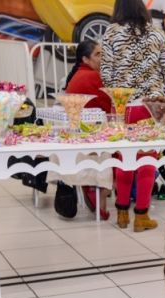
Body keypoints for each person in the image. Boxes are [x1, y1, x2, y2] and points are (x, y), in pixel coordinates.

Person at [102, 0, 165, 231]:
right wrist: (157, 88)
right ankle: (142, 216)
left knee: (124, 159)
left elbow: (105, 74)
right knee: (147, 160)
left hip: (122, 106)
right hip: (151, 106)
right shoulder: (156, 34)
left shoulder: (111, 32)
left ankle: (122, 213)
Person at [64, 40, 113, 220]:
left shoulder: (77, 75)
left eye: (102, 54)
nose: (102, 58)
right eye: (98, 54)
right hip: (91, 133)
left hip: (78, 131)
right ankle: (98, 193)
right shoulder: (93, 77)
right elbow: (108, 107)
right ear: (85, 59)